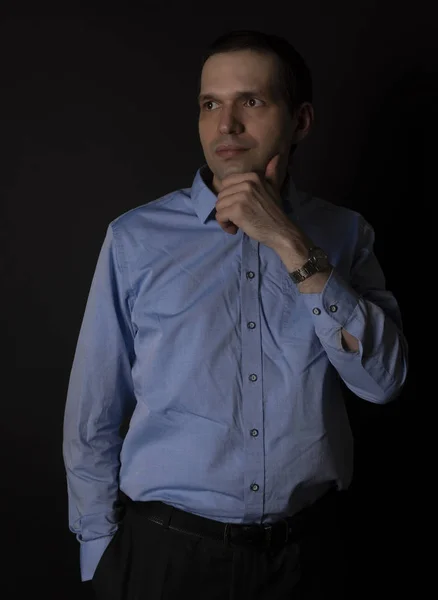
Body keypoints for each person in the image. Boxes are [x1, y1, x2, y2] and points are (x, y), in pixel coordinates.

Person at [62, 29, 408, 599]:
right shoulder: (135, 239)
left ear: (300, 122)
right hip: (164, 560)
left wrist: (291, 244)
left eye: (251, 100)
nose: (226, 125)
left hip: (309, 561)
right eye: (210, 104)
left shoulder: (345, 235)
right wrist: (101, 554)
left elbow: (383, 383)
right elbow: (92, 415)